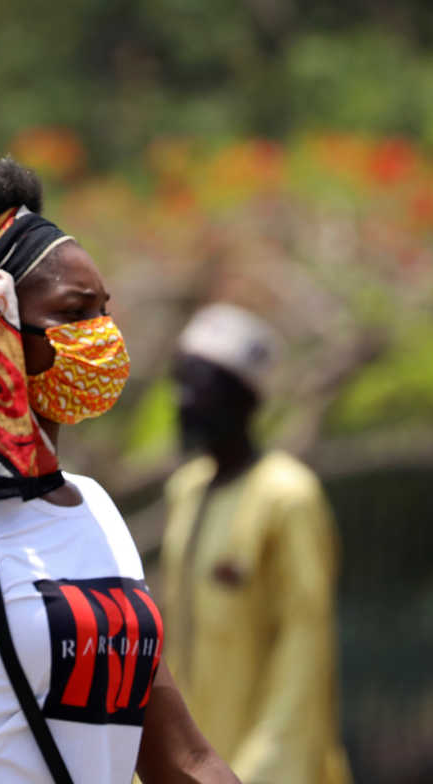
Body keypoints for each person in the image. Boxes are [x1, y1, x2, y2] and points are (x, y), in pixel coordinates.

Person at [0, 159, 239, 784]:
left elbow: (182, 760)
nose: (103, 337)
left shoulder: (99, 512)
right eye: (76, 313)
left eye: (105, 312)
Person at [160, 303, 351, 784]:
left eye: (199, 385)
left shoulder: (288, 496)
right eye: (180, 382)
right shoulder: (186, 491)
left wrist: (260, 771)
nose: (183, 401)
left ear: (244, 399)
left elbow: (304, 655)